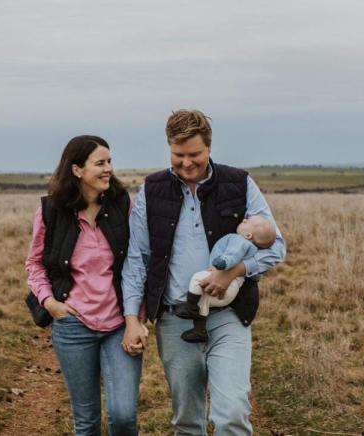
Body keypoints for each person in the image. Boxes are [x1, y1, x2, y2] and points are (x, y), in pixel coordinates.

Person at [121, 110, 286, 435]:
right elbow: (137, 259)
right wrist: (131, 317)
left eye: (194, 154)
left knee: (232, 415)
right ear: (169, 148)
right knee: (187, 421)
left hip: (228, 316)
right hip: (174, 319)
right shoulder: (150, 191)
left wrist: (234, 271)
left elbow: (276, 246)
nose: (186, 163)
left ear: (209, 148)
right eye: (178, 155)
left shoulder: (239, 183)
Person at [25, 135, 143, 436]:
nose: (108, 169)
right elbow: (35, 264)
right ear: (77, 170)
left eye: (109, 162)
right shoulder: (51, 212)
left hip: (118, 324)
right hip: (74, 326)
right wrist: (49, 303)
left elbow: (136, 261)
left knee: (124, 416)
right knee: (86, 421)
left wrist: (137, 317)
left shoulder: (120, 205)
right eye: (100, 163)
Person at [179, 215, 276, 343]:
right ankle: (199, 330)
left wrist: (222, 263)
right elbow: (256, 275)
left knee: (197, 279)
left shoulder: (239, 241)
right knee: (205, 299)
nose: (244, 219)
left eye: (248, 222)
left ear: (248, 235)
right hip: (233, 289)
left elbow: (232, 254)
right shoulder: (253, 251)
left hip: (225, 282)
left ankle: (190, 308)